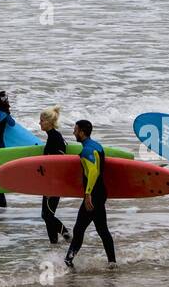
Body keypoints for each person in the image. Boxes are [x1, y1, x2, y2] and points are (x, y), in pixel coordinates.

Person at [65, 120, 116, 268]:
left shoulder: (86, 150)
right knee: (102, 229)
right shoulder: (97, 146)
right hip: (100, 192)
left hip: (93, 194)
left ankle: (68, 260)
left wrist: (88, 194)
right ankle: (112, 262)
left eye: (75, 130)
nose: (74, 132)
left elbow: (93, 171)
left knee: (79, 228)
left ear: (81, 132)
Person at [39, 107, 71, 245]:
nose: (39, 123)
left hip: (53, 183)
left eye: (41, 120)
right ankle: (53, 243)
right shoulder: (54, 136)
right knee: (48, 214)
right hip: (52, 181)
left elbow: (59, 160)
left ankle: (66, 233)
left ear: (49, 122)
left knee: (46, 215)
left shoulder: (55, 138)